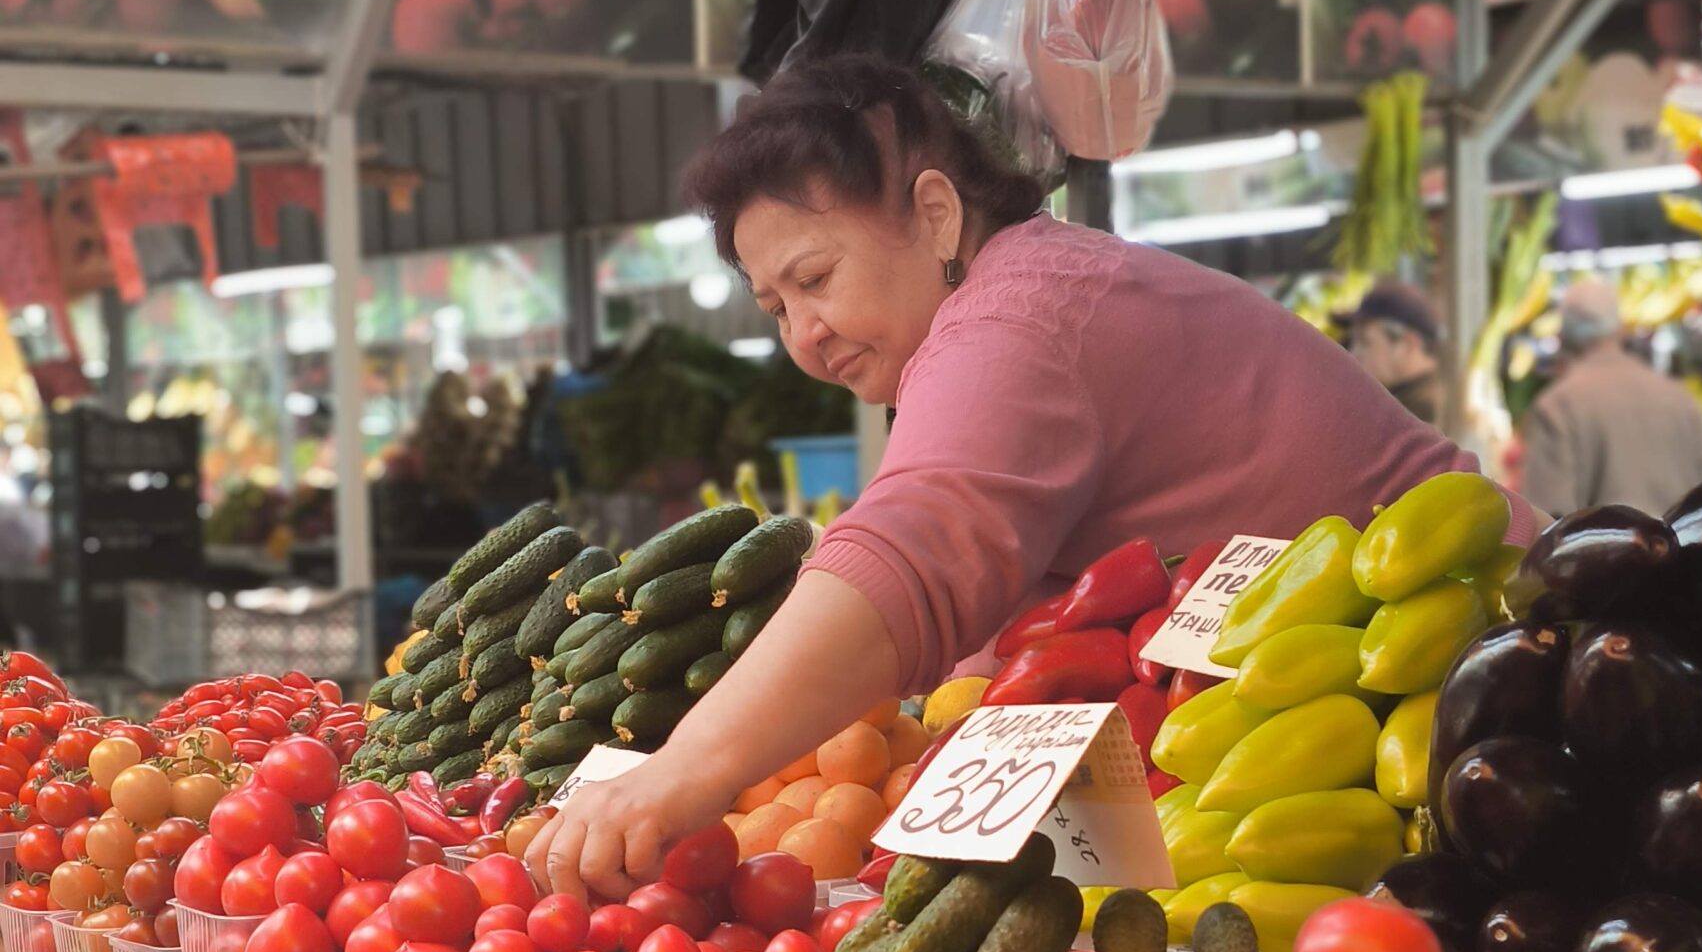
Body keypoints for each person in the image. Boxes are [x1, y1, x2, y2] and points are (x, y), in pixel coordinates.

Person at [534, 55, 1513, 900]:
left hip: (1479, 676)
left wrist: (682, 773)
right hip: (1357, 719)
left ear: (932, 212)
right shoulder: (1017, 299)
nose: (803, 332)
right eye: (775, 305)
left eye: (817, 278)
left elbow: (918, 547)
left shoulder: (1016, 319)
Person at [1520, 274, 1702, 518]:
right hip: (1681, 552)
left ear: (1563, 336)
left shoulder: (1558, 406)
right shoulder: (1679, 398)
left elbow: (1547, 516)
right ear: (1620, 329)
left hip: (1603, 555)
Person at [1347, 281, 1444, 426]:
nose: (1353, 354)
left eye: (1365, 342)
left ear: (1408, 344)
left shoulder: (1418, 421)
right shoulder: (1408, 410)